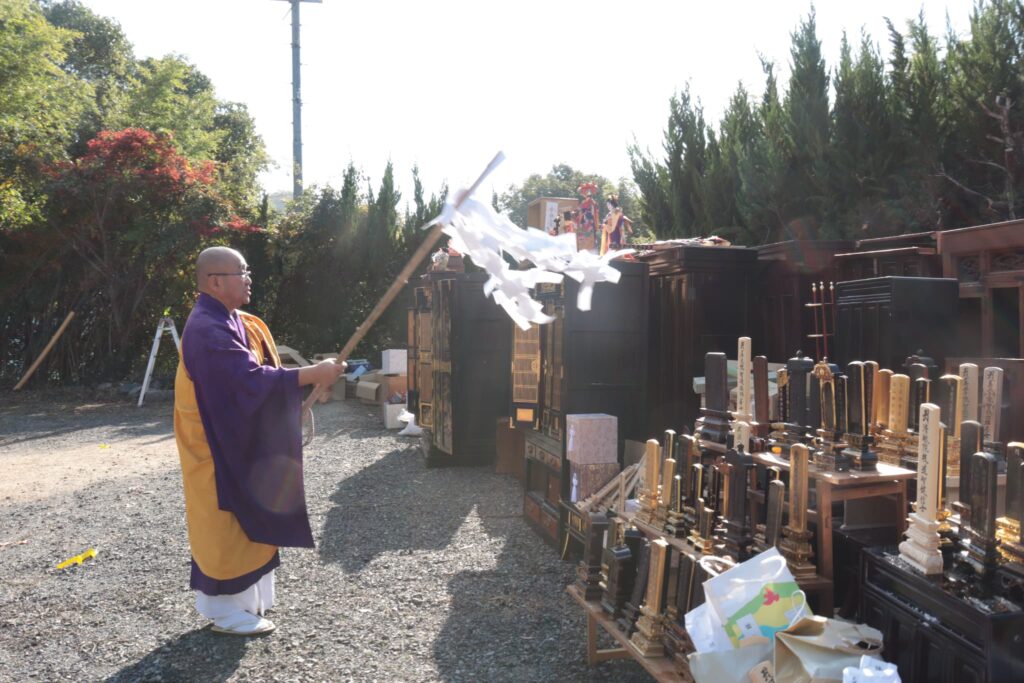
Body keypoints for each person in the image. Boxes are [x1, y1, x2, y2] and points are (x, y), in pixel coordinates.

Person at [174, 246, 346, 635]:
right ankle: (224, 612)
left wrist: (306, 380)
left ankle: (248, 605)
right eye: (243, 271)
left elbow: (256, 375)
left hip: (236, 437)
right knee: (226, 523)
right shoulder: (205, 328)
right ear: (215, 281)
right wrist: (310, 374)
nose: (249, 277)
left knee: (249, 520)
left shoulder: (237, 321)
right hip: (217, 446)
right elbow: (246, 382)